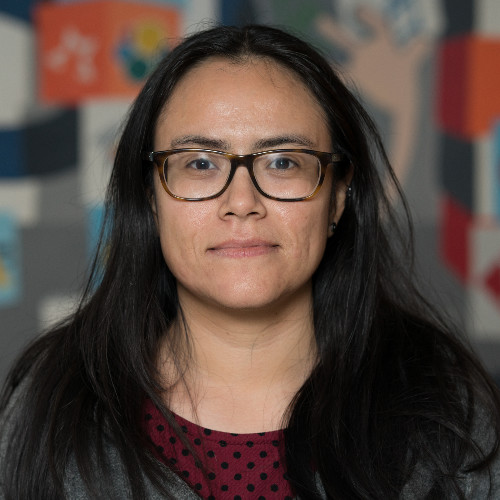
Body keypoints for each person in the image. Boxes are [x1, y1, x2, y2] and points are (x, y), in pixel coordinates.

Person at [1, 24, 499, 500]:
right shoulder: (51, 408)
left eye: (283, 162)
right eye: (200, 163)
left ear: (338, 197)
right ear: (151, 198)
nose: (241, 202)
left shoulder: (448, 418)